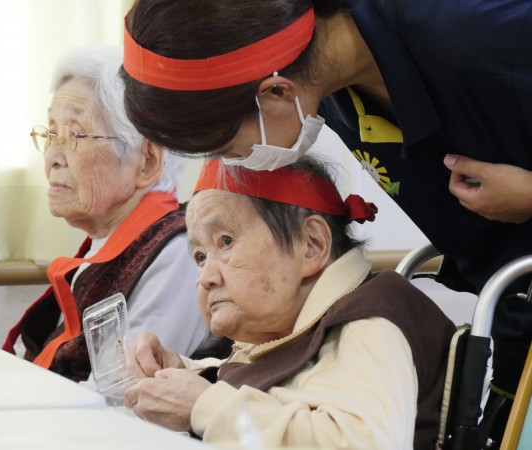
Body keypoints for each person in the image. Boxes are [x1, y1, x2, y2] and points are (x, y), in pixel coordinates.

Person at [119, 1, 532, 444]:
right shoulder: (328, 91)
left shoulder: (487, 31)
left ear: (276, 93)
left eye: (226, 147)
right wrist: (193, 378)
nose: (235, 164)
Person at [122, 156, 456, 450]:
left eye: (226, 241)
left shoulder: (368, 324)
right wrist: (179, 373)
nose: (205, 277)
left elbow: (362, 443)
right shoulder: (297, 326)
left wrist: (202, 405)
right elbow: (279, 387)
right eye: (200, 256)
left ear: (311, 244)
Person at [2, 46, 227, 383]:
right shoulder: (108, 245)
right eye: (50, 133)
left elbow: (122, 392)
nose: (52, 157)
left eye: (74, 135)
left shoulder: (179, 254)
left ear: (147, 161)